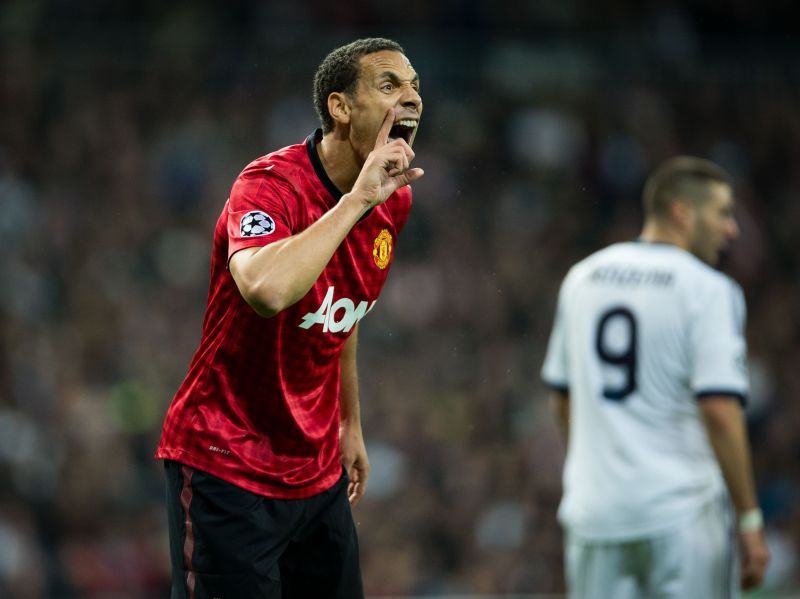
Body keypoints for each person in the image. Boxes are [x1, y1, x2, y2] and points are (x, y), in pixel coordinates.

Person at [155, 37, 423, 599]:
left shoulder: (394, 201)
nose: (412, 98)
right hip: (226, 465)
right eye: (390, 85)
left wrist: (350, 421)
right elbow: (267, 290)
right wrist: (354, 202)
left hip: (315, 469)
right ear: (340, 107)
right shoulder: (269, 186)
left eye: (415, 86)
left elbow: (342, 310)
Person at [540, 156, 770, 598]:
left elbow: (563, 399)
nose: (732, 230)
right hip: (681, 515)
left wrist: (591, 470)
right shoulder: (709, 289)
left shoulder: (582, 278)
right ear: (682, 212)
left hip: (596, 514)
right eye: (723, 213)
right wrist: (749, 519)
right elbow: (720, 410)